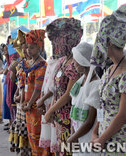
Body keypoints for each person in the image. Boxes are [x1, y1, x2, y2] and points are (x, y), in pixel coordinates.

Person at [90, 3, 126, 155]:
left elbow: (122, 115)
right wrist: (95, 133)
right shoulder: (110, 69)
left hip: (119, 140)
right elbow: (104, 107)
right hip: (105, 136)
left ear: (108, 42)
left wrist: (101, 139)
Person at [43, 18, 83, 155]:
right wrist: (53, 110)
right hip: (59, 115)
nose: (54, 45)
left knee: (68, 150)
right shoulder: (63, 60)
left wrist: (50, 111)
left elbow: (67, 95)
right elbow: (57, 90)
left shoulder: (75, 63)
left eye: (56, 40)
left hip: (69, 118)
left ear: (67, 40)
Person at [22, 29, 52, 156]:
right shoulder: (28, 63)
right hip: (27, 105)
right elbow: (24, 84)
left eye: (32, 47)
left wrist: (29, 103)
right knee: (30, 135)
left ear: (39, 48)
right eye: (28, 47)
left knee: (38, 135)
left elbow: (37, 89)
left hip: (36, 106)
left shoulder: (43, 65)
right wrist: (24, 101)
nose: (29, 50)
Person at [67, 42, 100, 156]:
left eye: (75, 60)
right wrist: (73, 134)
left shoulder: (95, 85)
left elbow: (90, 121)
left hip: (87, 138)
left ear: (83, 62)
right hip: (78, 135)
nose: (73, 63)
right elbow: (74, 108)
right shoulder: (81, 81)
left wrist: (73, 137)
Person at [0, 43, 11, 130]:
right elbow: (3, 70)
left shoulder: (13, 59)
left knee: (10, 102)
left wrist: (4, 70)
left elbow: (5, 71)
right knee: (6, 102)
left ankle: (12, 124)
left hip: (11, 82)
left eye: (6, 50)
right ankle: (10, 123)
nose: (5, 52)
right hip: (6, 81)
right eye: (4, 50)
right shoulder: (6, 60)